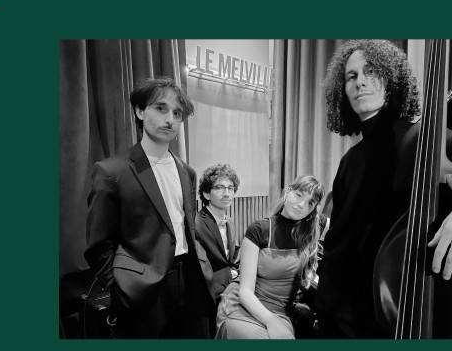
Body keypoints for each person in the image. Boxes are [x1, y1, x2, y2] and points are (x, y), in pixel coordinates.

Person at [315, 40, 452, 338]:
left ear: (392, 81)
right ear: (343, 90)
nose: (360, 81)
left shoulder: (424, 140)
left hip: (388, 322)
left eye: (371, 71)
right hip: (335, 321)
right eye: (351, 76)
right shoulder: (349, 160)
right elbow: (338, 246)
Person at [84, 77, 215, 338]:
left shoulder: (187, 172)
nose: (170, 119)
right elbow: (98, 243)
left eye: (177, 113)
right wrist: (118, 285)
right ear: (140, 111)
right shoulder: (112, 171)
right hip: (141, 287)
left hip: (191, 279)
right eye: (161, 108)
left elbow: (187, 227)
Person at [215, 175, 325, 339]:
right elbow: (245, 292)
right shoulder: (259, 229)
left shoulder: (309, 233)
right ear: (288, 192)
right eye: (299, 195)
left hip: (283, 311)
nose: (302, 205)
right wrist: (271, 321)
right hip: (246, 306)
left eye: (310, 203)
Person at [195, 163, 241, 336]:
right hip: (208, 296)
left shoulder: (230, 222)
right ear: (207, 193)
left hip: (229, 291)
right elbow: (199, 267)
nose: (227, 193)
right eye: (219, 187)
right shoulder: (197, 223)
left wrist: (235, 273)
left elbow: (233, 257)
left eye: (230, 188)